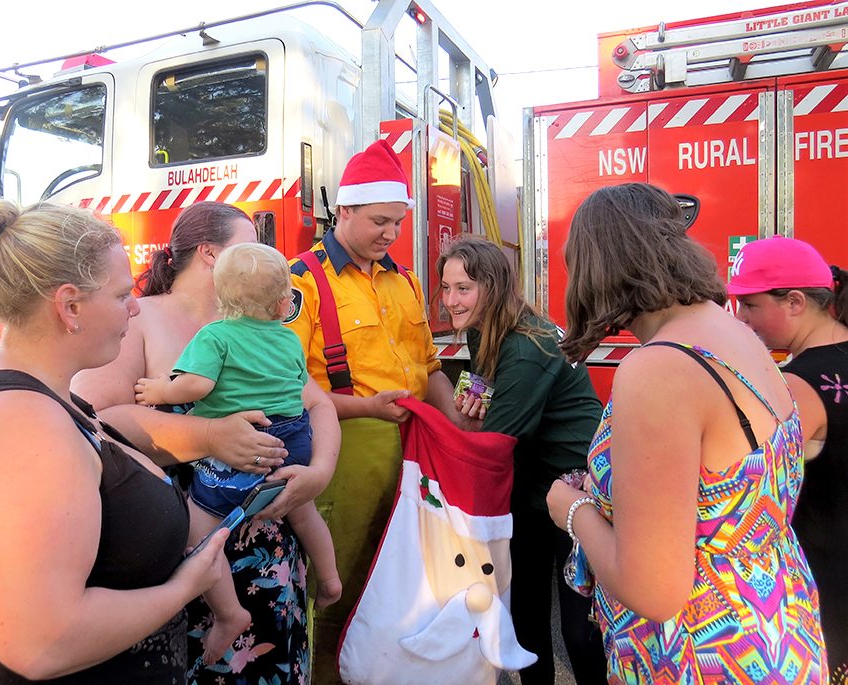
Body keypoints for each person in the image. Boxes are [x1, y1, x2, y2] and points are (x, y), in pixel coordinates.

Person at [544, 183, 828, 683]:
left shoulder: (658, 369)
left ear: (596, 266)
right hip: (778, 632)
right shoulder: (736, 336)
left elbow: (654, 590)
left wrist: (571, 509)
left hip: (702, 656)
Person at [0, 199, 229, 684]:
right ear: (69, 305)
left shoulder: (35, 390)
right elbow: (40, 643)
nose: (136, 305)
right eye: (123, 295)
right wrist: (185, 588)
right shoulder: (19, 424)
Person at [72, 201, 340, 685]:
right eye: (250, 247)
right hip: (182, 549)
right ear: (211, 254)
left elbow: (319, 405)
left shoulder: (262, 331)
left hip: (272, 547)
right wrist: (211, 436)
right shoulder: (136, 320)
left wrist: (318, 473)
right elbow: (99, 421)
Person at [285, 139, 461, 684]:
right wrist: (367, 407)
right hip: (342, 450)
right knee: (336, 585)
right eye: (380, 221)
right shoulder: (301, 281)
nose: (390, 234)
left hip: (413, 454)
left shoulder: (404, 280)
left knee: (400, 581)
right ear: (345, 211)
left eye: (398, 224)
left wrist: (460, 430)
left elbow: (430, 368)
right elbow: (288, 387)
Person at [133, 242, 342, 664]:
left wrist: (159, 389)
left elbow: (197, 387)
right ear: (285, 302)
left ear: (221, 294)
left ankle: (229, 615)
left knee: (200, 532)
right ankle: (333, 579)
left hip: (240, 455)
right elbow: (302, 392)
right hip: (292, 440)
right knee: (304, 513)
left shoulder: (214, 336)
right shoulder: (287, 340)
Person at [437, 236, 606, 684]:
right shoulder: (489, 328)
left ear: (492, 287)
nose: (451, 300)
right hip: (532, 486)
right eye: (446, 287)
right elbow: (477, 393)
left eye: (463, 289)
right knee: (526, 609)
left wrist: (458, 416)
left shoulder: (527, 344)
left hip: (575, 488)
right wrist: (466, 403)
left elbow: (490, 439)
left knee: (579, 623)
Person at [729, 235, 848, 684]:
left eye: (750, 305)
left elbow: (750, 489)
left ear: (796, 301)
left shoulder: (796, 386)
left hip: (826, 578)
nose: (740, 319)